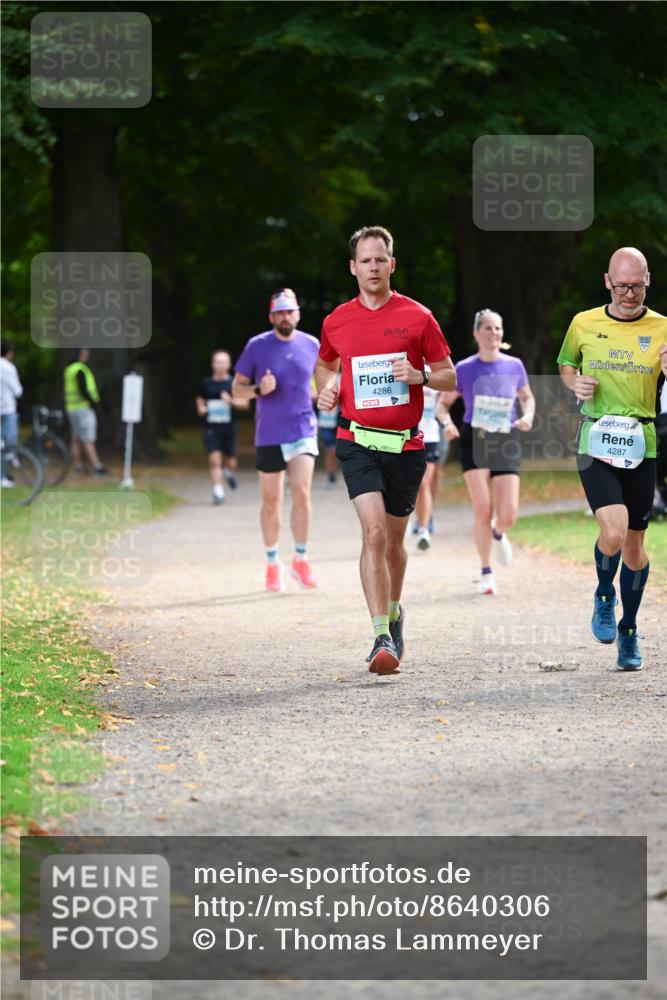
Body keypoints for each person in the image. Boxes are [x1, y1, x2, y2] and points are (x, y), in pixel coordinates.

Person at [316, 225, 456, 675]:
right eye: (365, 260)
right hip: (355, 439)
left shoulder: (418, 317)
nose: (373, 267)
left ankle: (395, 610)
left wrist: (419, 377)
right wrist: (327, 389)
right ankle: (380, 634)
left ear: (391, 265)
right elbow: (324, 364)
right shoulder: (337, 320)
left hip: (406, 444)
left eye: (381, 260)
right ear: (352, 267)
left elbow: (449, 375)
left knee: (395, 544)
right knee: (373, 533)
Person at [557, 246, 667, 671]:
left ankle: (629, 629)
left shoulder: (661, 327)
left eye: (636, 286)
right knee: (615, 531)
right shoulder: (583, 322)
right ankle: (605, 594)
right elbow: (567, 363)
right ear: (607, 281)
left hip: (642, 440)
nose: (628, 294)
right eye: (621, 286)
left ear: (648, 281)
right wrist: (575, 383)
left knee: (636, 549)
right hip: (597, 438)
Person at [439, 309, 535, 596]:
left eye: (498, 328)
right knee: (483, 509)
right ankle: (485, 571)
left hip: (505, 439)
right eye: (489, 328)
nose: (494, 333)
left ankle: (498, 532)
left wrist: (528, 416)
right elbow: (443, 405)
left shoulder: (514, 365)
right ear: (476, 334)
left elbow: (527, 397)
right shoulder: (465, 368)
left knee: (508, 514)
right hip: (475, 439)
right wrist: (447, 423)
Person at [232, 288, 320, 592]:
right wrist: (258, 389)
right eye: (279, 312)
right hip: (269, 433)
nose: (285, 316)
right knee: (271, 501)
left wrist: (325, 393)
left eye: (290, 311)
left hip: (303, 429)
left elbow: (323, 382)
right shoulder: (256, 346)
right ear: (272, 316)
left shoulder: (312, 345)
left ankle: (301, 559)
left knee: (302, 492)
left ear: (298, 314)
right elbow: (236, 390)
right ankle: (273, 564)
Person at [195, 349, 247, 505]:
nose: (220, 365)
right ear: (212, 364)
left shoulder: (234, 384)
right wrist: (201, 408)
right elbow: (200, 399)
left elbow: (245, 404)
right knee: (214, 460)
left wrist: (231, 401)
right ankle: (218, 492)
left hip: (229, 428)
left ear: (229, 364)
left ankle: (228, 472)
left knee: (230, 460)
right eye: (217, 362)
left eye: (223, 362)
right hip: (211, 428)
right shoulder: (206, 383)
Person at [63, 347, 107, 475]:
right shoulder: (80, 369)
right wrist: (94, 403)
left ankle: (78, 466)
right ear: (81, 355)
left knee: (75, 438)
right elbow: (83, 389)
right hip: (83, 408)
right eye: (86, 354)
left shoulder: (69, 369)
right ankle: (97, 465)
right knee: (88, 438)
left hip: (71, 407)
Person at [413, 372, 441, 550]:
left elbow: (447, 396)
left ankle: (424, 529)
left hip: (430, 436)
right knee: (413, 485)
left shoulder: (436, 370)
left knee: (424, 483)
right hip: (406, 435)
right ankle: (419, 517)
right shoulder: (400, 365)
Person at [1, 340, 23, 487]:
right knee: (10, 442)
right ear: (8, 353)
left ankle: (3, 477)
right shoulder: (9, 368)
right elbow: (18, 391)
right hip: (8, 408)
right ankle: (12, 457)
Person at [317, 371, 341, 487]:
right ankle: (331, 476)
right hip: (326, 422)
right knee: (330, 450)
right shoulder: (322, 375)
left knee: (338, 451)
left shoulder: (344, 375)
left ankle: (335, 474)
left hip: (339, 420)